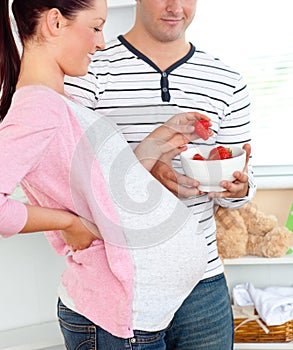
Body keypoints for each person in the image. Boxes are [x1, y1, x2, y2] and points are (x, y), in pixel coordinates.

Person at [0, 1, 217, 349]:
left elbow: (109, 192)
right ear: (55, 22)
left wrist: (156, 142)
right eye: (96, 27)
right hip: (115, 321)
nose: (101, 43)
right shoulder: (38, 107)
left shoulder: (62, 102)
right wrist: (69, 223)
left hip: (134, 318)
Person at [64, 0, 257, 348]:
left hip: (202, 283)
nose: (175, 7)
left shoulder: (227, 80)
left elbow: (241, 181)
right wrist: (144, 174)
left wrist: (237, 189)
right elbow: (67, 184)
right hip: (121, 283)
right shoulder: (87, 69)